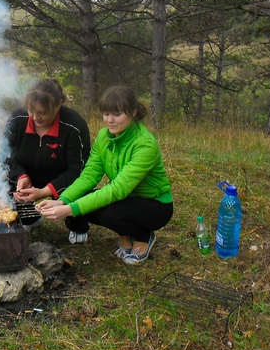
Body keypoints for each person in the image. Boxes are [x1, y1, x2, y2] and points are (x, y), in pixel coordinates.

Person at [36, 85, 173, 264]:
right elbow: (89, 175)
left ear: (132, 112)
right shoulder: (103, 136)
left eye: (117, 114)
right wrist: (63, 200)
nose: (110, 120)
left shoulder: (145, 145)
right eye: (106, 114)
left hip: (154, 204)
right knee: (83, 199)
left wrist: (69, 210)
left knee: (108, 212)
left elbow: (118, 190)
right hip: (127, 200)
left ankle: (143, 236)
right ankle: (125, 232)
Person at [1, 78, 91, 229]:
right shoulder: (17, 119)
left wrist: (44, 191)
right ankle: (30, 218)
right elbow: (5, 155)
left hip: (61, 177)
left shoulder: (74, 126)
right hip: (27, 174)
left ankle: (77, 225)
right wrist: (20, 176)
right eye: (31, 111)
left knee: (79, 189)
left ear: (58, 105)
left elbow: (78, 170)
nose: (35, 118)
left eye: (42, 113)